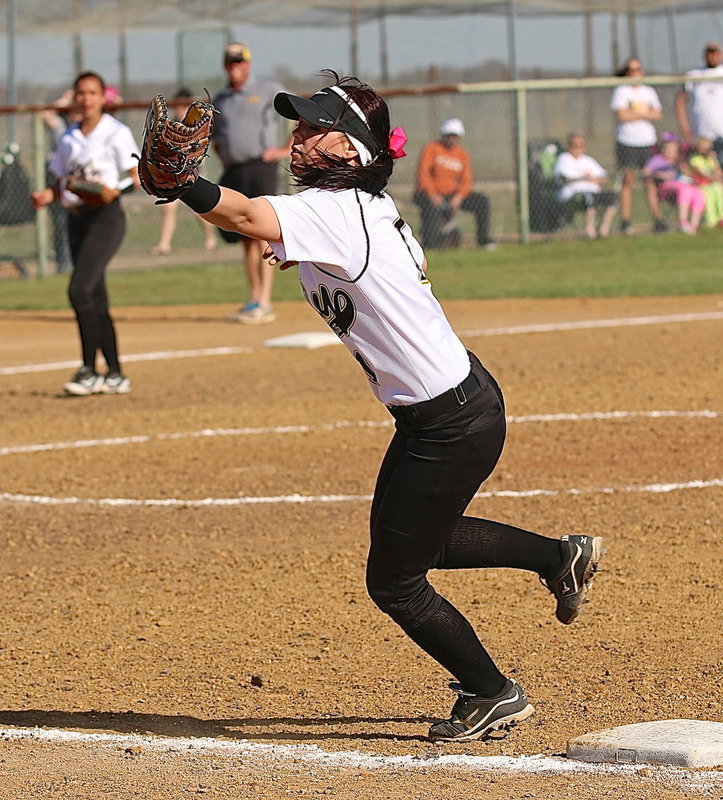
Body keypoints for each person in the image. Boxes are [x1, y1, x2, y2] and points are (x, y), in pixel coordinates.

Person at [144, 70, 605, 742]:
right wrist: (301, 252)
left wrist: (182, 183)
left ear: (352, 148)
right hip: (446, 408)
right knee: (419, 540)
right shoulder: (359, 208)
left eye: (316, 127)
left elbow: (241, 215)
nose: (298, 136)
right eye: (298, 125)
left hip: (449, 421)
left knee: (395, 581)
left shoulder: (335, 212)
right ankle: (556, 557)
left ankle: (492, 692)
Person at [31, 71, 140, 396]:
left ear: (103, 97)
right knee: (95, 297)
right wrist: (47, 195)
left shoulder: (115, 132)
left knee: (79, 290)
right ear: (75, 98)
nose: (86, 99)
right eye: (81, 93)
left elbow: (136, 176)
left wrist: (115, 190)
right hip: (76, 218)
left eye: (93, 93)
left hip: (106, 218)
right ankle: (115, 373)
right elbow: (62, 182)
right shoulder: (69, 137)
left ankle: (89, 370)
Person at [212, 42, 292, 324]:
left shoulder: (267, 89)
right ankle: (254, 298)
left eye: (239, 61)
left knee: (262, 233)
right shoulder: (221, 99)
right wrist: (224, 156)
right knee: (244, 235)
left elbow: (299, 115)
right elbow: (215, 136)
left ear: (248, 63)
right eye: (229, 62)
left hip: (261, 166)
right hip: (236, 170)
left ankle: (266, 301)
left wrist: (283, 150)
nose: (234, 67)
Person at [150, 89, 218, 256]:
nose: (180, 109)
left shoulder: (196, 124)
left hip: (194, 174)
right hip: (173, 175)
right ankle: (164, 244)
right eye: (178, 105)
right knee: (168, 207)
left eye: (184, 105)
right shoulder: (172, 124)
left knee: (198, 209)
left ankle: (210, 238)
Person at [413, 118, 495, 250]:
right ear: (443, 135)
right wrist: (432, 194)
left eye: (455, 136)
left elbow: (467, 181)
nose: (451, 139)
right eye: (449, 135)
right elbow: (423, 174)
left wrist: (459, 197)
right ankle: (432, 244)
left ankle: (484, 240)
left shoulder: (462, 154)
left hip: (452, 195)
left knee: (482, 201)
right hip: (429, 194)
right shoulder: (432, 148)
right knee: (431, 209)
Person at [610, 57, 668, 235]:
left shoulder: (649, 91)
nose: (635, 73)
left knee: (650, 181)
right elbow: (621, 115)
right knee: (627, 180)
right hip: (627, 141)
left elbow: (657, 114)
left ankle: (658, 219)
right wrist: (645, 113)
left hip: (647, 142)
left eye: (638, 69)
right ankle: (625, 221)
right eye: (632, 70)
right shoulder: (621, 91)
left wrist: (634, 113)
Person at [553, 133, 618, 239]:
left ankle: (604, 229)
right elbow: (568, 178)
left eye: (581, 145)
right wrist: (591, 179)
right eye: (574, 145)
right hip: (573, 194)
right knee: (590, 197)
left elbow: (604, 176)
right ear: (569, 146)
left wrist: (591, 179)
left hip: (594, 191)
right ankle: (590, 230)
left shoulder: (588, 160)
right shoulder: (564, 159)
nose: (577, 148)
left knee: (613, 197)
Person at [643, 134, 705, 234]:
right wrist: (659, 174)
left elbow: (688, 174)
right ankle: (682, 222)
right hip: (665, 187)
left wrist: (685, 170)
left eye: (672, 149)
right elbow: (646, 172)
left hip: (681, 185)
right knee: (685, 190)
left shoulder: (678, 161)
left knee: (697, 193)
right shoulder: (658, 159)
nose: (668, 150)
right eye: (666, 148)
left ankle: (693, 225)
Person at [675, 42, 723, 164]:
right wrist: (685, 127)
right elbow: (680, 101)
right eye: (710, 54)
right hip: (701, 134)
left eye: (715, 53)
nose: (712, 57)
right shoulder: (694, 75)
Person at [688, 135, 723, 227]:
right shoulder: (695, 159)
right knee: (709, 196)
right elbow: (702, 174)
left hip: (712, 185)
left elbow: (719, 173)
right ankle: (711, 221)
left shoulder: (711, 160)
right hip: (700, 185)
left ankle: (721, 218)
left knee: (718, 189)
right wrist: (716, 178)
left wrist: (714, 160)